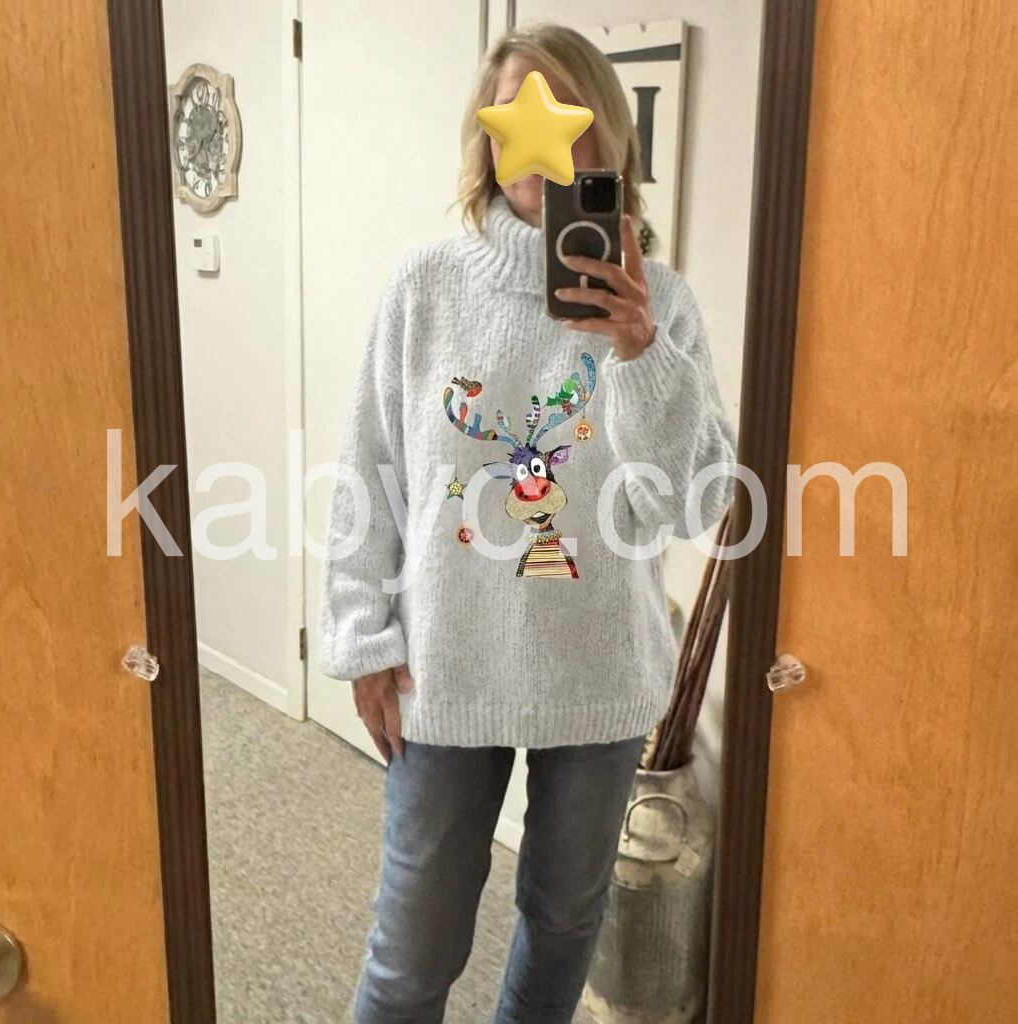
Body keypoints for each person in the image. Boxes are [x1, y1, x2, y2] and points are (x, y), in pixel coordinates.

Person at [320, 21, 735, 1024]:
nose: (546, 144)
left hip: (598, 677)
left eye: (570, 115)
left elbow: (692, 502)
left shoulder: (661, 308)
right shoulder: (425, 287)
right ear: (486, 135)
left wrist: (639, 354)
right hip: (444, 669)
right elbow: (368, 472)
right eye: (518, 115)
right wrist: (364, 637)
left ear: (610, 138)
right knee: (411, 951)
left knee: (561, 929)